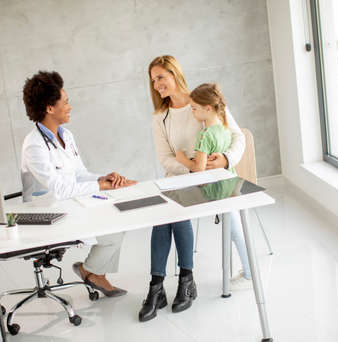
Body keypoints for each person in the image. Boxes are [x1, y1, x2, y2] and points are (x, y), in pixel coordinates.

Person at [138, 55, 247, 323]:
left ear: (175, 74)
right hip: (181, 178)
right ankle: (159, 286)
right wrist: (191, 171)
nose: (157, 85)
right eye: (153, 80)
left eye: (161, 77)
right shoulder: (160, 117)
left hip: (214, 179)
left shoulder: (203, 101)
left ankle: (183, 281)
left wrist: (225, 159)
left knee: (180, 213)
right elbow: (164, 157)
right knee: (164, 215)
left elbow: (237, 136)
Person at [21, 70, 136, 297]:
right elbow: (60, 189)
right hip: (47, 215)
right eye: (66, 102)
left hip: (72, 204)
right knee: (113, 230)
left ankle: (93, 273)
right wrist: (100, 186)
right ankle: (92, 273)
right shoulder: (34, 145)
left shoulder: (67, 136)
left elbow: (79, 174)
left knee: (118, 222)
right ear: (49, 108)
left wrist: (104, 178)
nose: (70, 106)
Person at [176, 82, 252, 286]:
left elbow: (199, 169)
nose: (192, 113)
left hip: (217, 191)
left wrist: (181, 158)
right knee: (235, 228)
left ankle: (249, 272)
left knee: (235, 231)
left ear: (207, 108)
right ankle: (245, 269)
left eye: (194, 109)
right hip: (231, 183)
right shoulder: (225, 129)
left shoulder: (205, 135)